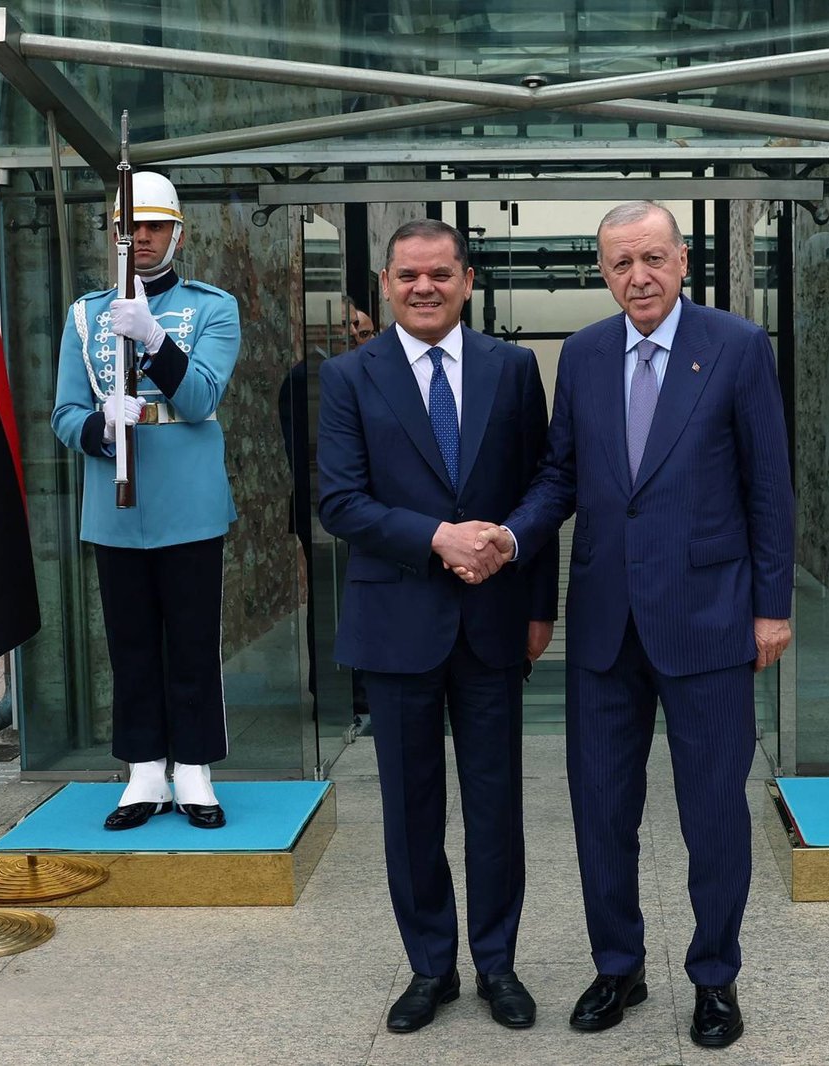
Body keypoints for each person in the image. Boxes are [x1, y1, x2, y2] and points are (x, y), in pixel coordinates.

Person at [476, 201, 794, 1049]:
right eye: (621, 263)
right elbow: (560, 476)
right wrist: (512, 537)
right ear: (604, 272)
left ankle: (715, 977)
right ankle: (618, 966)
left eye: (653, 258)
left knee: (713, 813)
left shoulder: (736, 346)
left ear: (683, 261)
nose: (638, 276)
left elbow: (769, 483)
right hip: (606, 625)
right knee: (601, 811)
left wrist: (772, 608)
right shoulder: (582, 355)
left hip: (710, 619)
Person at [315, 219, 557, 1034]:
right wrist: (437, 539)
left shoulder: (512, 369)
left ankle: (497, 965)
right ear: (386, 283)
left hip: (493, 622)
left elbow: (542, 487)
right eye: (409, 275)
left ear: (468, 280)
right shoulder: (349, 376)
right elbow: (339, 500)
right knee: (411, 807)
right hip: (397, 624)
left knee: (495, 805)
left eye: (441, 274)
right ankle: (430, 968)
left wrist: (539, 605)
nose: (425, 288)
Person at [52, 172, 240, 832]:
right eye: (130, 227)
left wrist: (156, 341)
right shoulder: (84, 315)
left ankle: (194, 767)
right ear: (113, 234)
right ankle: (144, 770)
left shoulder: (213, 307)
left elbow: (201, 397)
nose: (142, 238)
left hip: (188, 497)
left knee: (192, 640)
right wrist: (102, 426)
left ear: (177, 235)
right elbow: (63, 413)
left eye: (155, 226)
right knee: (129, 642)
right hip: (117, 502)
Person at [278, 299, 376, 731]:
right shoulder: (306, 379)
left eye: (364, 331)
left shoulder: (367, 374)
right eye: (347, 327)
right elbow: (307, 458)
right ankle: (335, 694)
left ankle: (364, 686)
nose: (355, 336)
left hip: (368, 511)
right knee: (330, 602)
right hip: (327, 511)